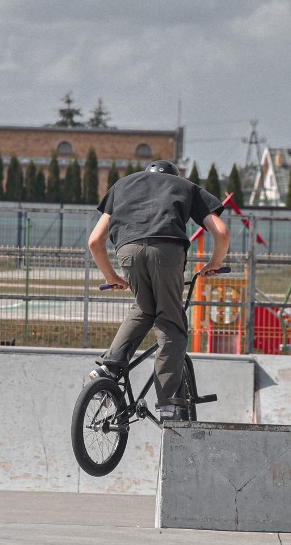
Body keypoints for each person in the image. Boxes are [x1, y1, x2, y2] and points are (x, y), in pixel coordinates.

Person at [87, 160, 231, 421]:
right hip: (166, 252)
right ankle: (167, 403)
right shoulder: (186, 186)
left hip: (127, 251)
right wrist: (214, 263)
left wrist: (112, 277)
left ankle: (108, 369)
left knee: (144, 308)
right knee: (171, 323)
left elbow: (95, 241)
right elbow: (222, 233)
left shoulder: (122, 186)